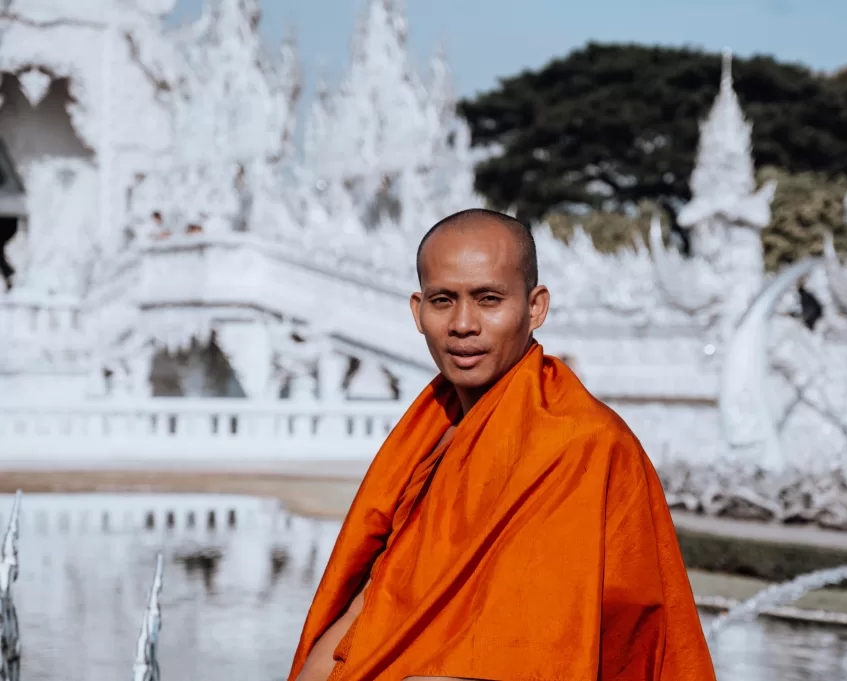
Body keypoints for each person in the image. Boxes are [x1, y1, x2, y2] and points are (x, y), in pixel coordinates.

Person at [288, 208, 716, 681]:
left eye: (489, 299)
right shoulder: (429, 436)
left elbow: (523, 657)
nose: (463, 324)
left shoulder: (578, 445)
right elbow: (365, 610)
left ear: (535, 308)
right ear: (418, 311)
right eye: (443, 301)